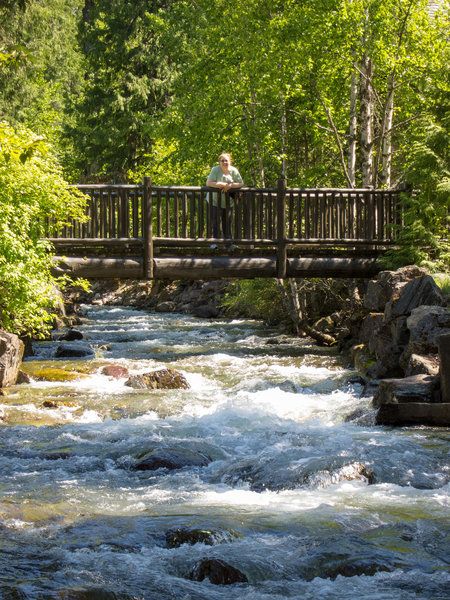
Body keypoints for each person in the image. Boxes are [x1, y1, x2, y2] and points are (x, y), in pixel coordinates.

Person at [206, 153, 244, 245]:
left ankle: (228, 244)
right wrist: (220, 184)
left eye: (226, 160)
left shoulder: (234, 171)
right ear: (219, 162)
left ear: (229, 161)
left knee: (227, 223)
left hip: (228, 202)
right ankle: (214, 243)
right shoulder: (215, 170)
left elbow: (241, 183)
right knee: (215, 222)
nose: (224, 162)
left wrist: (230, 185)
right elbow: (208, 183)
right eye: (222, 160)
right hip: (214, 201)